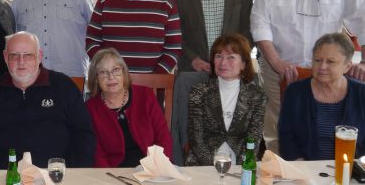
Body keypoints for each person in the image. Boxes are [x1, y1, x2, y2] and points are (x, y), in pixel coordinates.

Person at [251, 0, 365, 151]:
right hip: (279, 67)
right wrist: (276, 63)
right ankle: (280, 172)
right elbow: (259, 22)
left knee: (323, 127)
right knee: (277, 128)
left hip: (326, 69)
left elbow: (362, 19)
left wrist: (363, 62)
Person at [0, 31, 96, 169]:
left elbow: (84, 136)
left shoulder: (63, 86)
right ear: (6, 57)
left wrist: (72, 175)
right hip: (6, 177)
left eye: (28, 55)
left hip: (56, 177)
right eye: (14, 56)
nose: (21, 62)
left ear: (39, 56)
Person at [278, 33, 365, 160]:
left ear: (347, 66)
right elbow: (286, 137)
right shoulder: (295, 92)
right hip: (305, 169)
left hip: (352, 171)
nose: (322, 67)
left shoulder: (361, 94)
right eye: (317, 60)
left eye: (330, 61)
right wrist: (303, 169)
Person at [186, 33, 267, 166]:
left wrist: (240, 168)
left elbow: (254, 139)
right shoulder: (199, 92)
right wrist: (214, 167)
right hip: (203, 163)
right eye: (219, 56)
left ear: (244, 63)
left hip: (241, 162)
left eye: (231, 57)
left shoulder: (257, 95)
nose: (223, 63)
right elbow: (196, 138)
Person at [85, 48, 172, 167]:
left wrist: (154, 167)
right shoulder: (90, 109)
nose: (111, 77)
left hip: (152, 169)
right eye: (103, 72)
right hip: (112, 174)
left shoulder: (145, 96)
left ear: (124, 72)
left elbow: (163, 138)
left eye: (116, 70)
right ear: (96, 79)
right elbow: (96, 154)